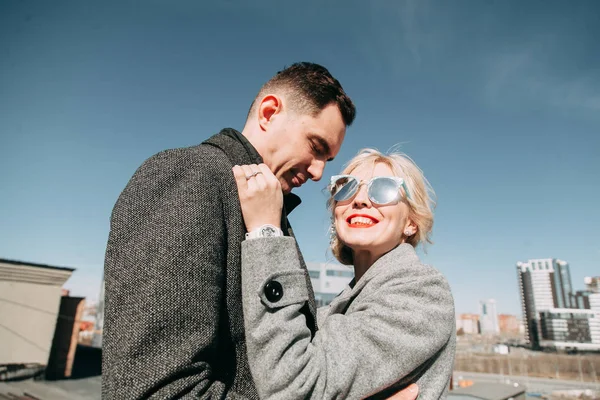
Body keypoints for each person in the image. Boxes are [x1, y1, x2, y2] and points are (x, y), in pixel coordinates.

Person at [102, 62, 419, 400]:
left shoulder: (265, 206)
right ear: (269, 113)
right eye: (316, 147)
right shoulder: (190, 176)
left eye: (327, 160)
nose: (317, 173)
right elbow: (157, 390)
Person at [233, 148, 456, 399]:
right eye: (346, 187)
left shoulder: (423, 293)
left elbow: (292, 386)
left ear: (411, 222)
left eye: (383, 188)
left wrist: (266, 232)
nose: (360, 200)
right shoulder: (337, 309)